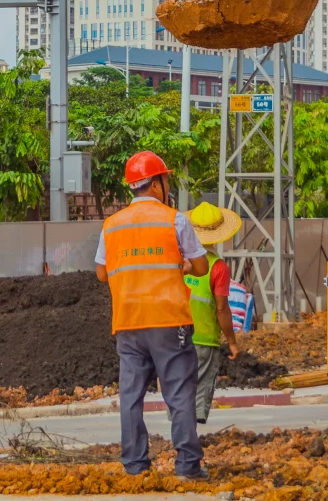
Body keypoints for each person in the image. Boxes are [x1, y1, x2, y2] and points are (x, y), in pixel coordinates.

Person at [94, 150, 209, 481]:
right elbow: (200, 266)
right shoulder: (175, 219)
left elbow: (102, 273)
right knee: (179, 393)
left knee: (131, 396)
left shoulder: (111, 225)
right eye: (166, 179)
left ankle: (135, 466)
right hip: (168, 320)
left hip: (128, 322)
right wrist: (182, 263)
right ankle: (187, 465)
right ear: (157, 183)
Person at [184, 203, 243, 424]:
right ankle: (189, 440)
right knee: (200, 388)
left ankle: (179, 435)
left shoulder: (180, 261)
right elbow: (221, 309)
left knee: (180, 386)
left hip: (175, 335)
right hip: (204, 339)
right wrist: (232, 341)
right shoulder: (218, 267)